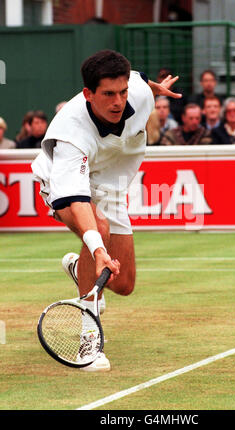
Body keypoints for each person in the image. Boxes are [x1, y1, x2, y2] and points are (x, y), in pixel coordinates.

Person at [31, 49, 181, 372]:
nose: (118, 101)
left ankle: (79, 271)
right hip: (66, 185)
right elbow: (77, 202)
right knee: (97, 231)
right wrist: (97, 248)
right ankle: (89, 338)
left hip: (111, 188)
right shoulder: (70, 132)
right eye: (108, 94)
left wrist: (157, 88)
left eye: (122, 92)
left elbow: (141, 82)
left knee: (124, 284)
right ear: (88, 94)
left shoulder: (137, 93)